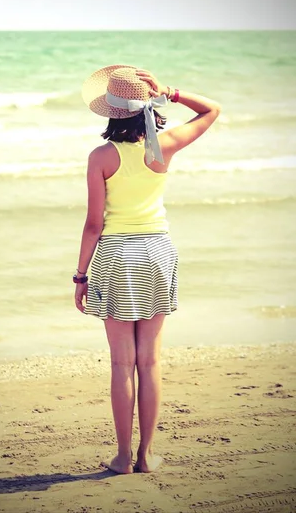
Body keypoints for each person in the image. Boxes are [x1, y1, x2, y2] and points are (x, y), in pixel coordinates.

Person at [74, 65, 221, 474]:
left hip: (117, 257)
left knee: (122, 364)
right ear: (148, 106)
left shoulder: (101, 156)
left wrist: (81, 276)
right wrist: (171, 92)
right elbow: (211, 110)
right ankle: (147, 455)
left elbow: (93, 224)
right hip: (158, 252)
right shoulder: (164, 146)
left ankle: (122, 457)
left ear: (111, 112)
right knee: (150, 362)